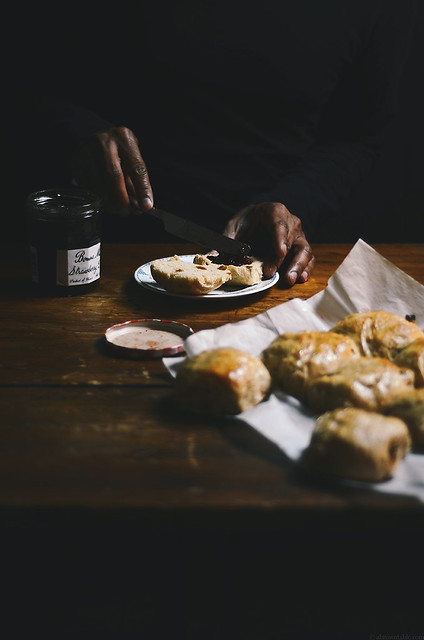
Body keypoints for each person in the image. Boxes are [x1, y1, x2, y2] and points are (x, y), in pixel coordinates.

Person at [8, 0, 416, 285]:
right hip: (90, 249)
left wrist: (295, 203)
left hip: (264, 266)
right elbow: (20, 72)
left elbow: (357, 134)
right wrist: (72, 129)